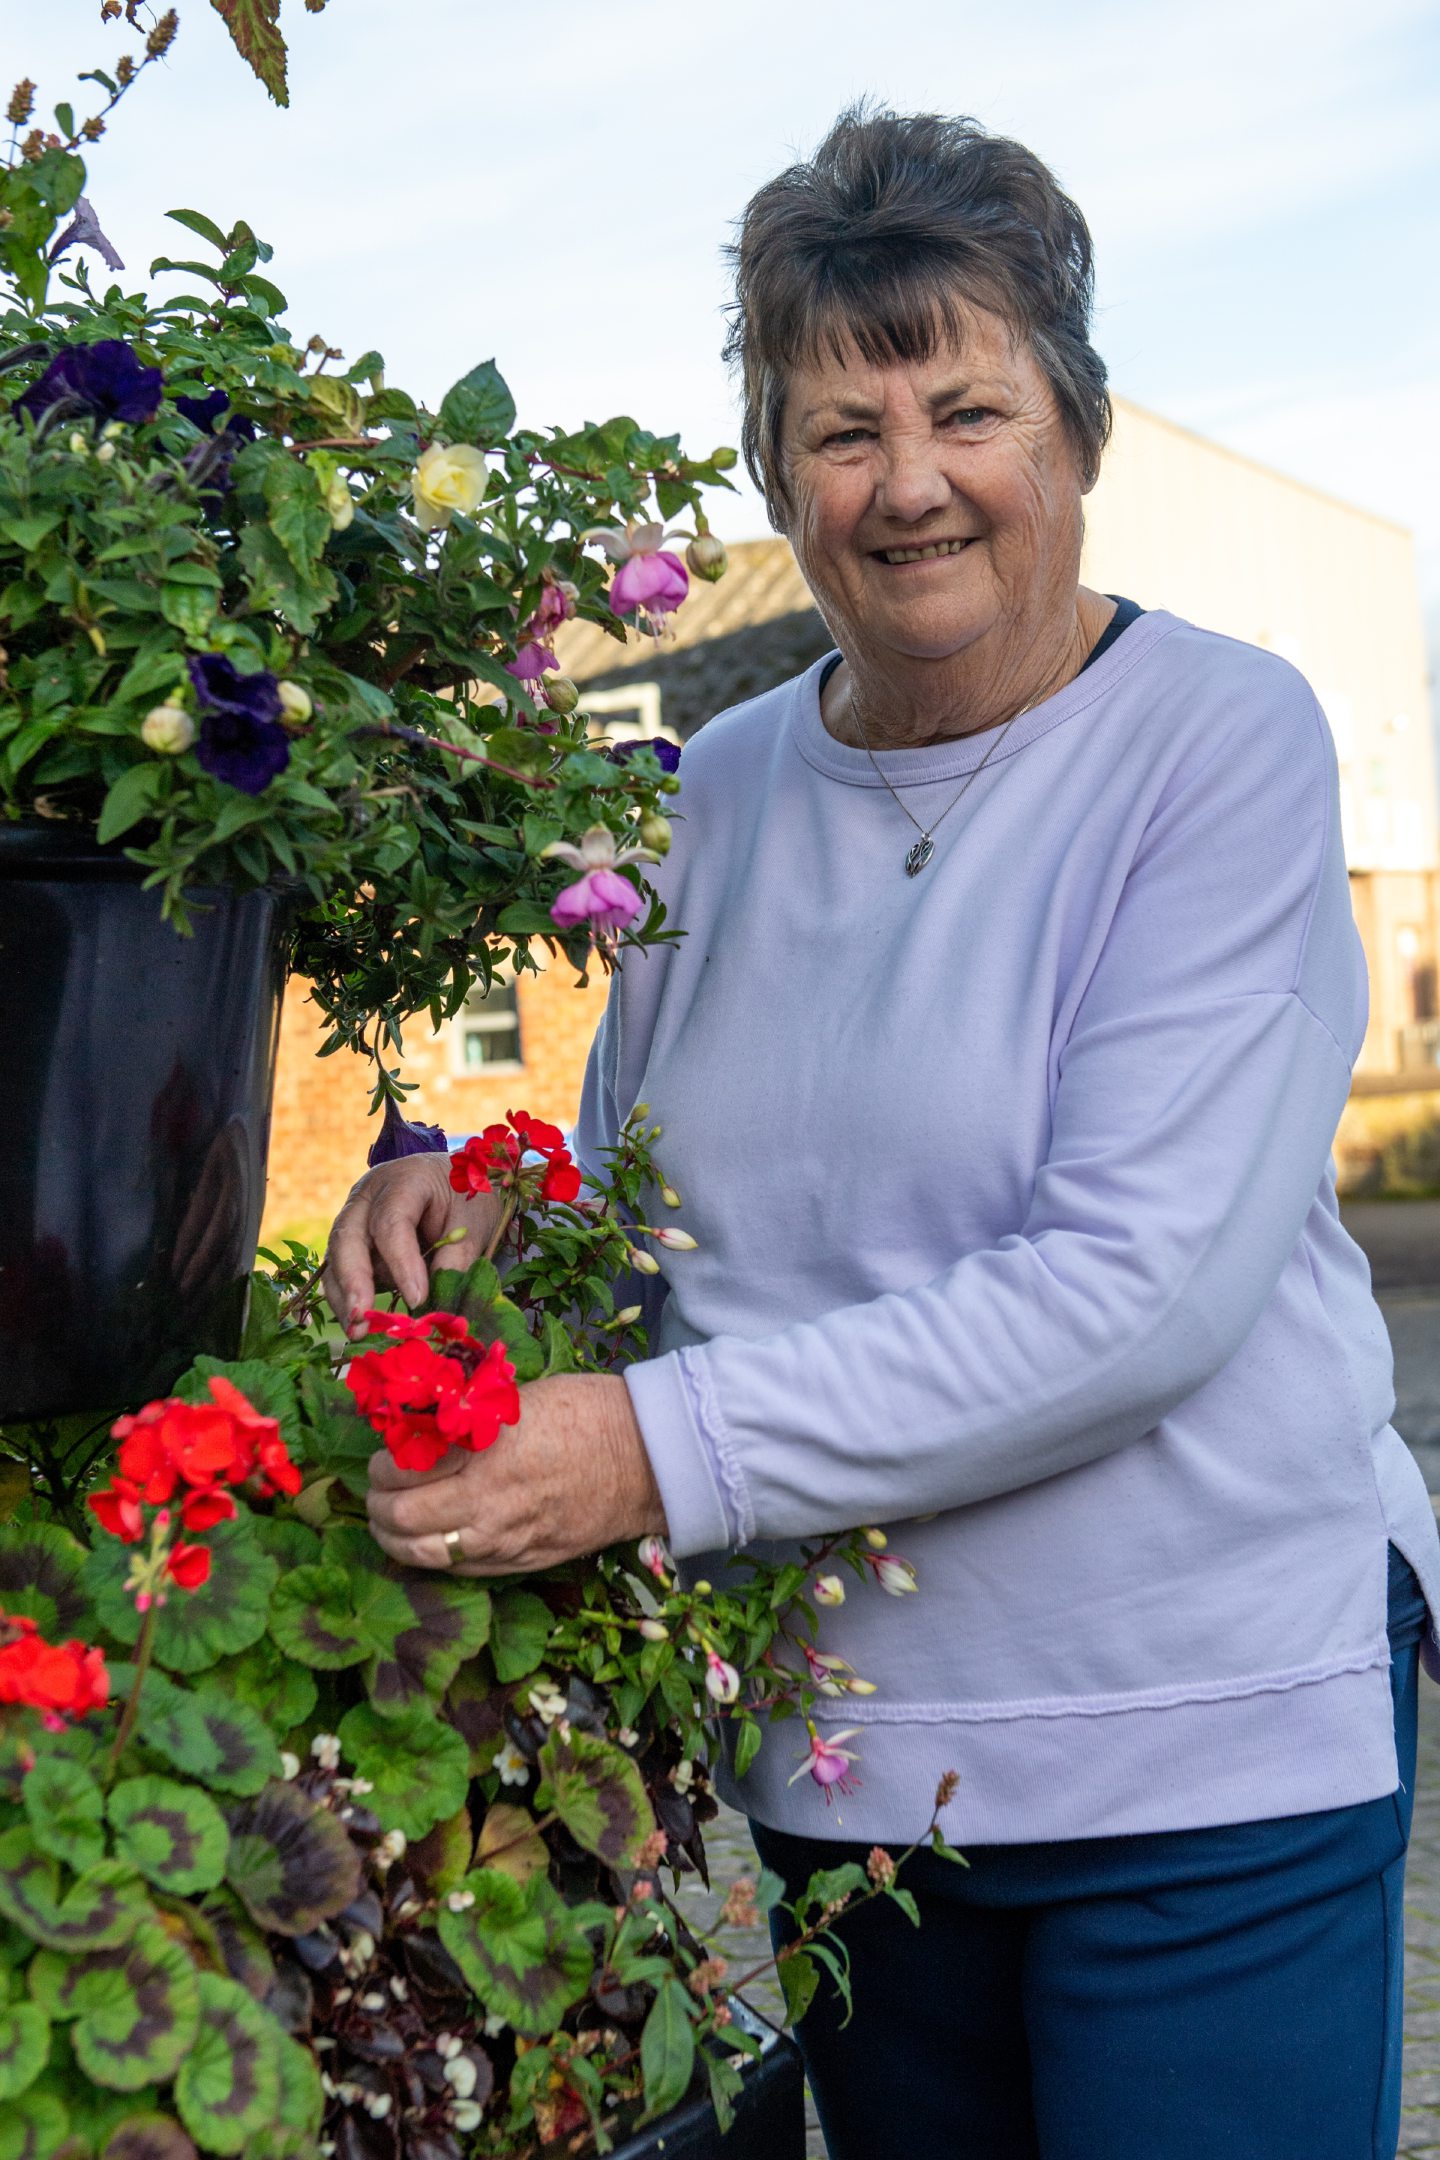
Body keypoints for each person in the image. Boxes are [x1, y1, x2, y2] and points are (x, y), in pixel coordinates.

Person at [324, 107, 1440, 2159]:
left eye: (969, 408)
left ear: (1078, 440)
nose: (910, 482)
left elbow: (1137, 1295)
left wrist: (644, 1458)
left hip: (1194, 1754)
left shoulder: (1219, 740)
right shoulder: (715, 788)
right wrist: (475, 1210)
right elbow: (663, 1213)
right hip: (849, 1765)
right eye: (843, 428)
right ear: (779, 478)